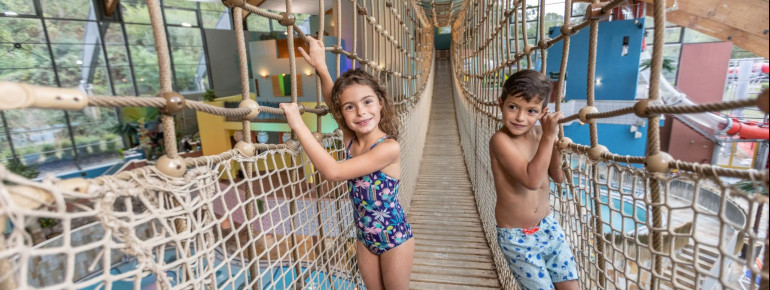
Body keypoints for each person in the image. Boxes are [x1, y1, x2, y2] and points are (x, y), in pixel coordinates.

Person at [279, 35, 414, 290]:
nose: (361, 112)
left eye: (367, 102)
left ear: (381, 103)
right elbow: (335, 102)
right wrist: (321, 67)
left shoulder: (388, 147)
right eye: (351, 108)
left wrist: (298, 125)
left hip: (395, 238)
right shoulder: (352, 138)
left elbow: (334, 172)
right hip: (364, 238)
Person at [489, 69, 577, 290]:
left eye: (531, 111)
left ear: (542, 113)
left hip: (548, 227)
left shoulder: (542, 135)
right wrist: (548, 137)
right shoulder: (500, 141)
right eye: (512, 107)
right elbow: (532, 180)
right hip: (517, 238)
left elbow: (557, 177)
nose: (520, 117)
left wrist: (555, 143)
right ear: (501, 103)